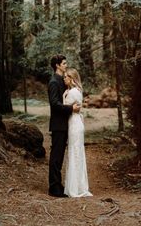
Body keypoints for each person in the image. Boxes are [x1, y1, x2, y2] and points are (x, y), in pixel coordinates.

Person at [48, 54, 80, 197]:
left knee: (60, 156)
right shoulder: (54, 82)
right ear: (57, 65)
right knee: (56, 156)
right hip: (58, 125)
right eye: (64, 63)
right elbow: (54, 105)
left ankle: (59, 185)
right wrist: (71, 109)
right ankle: (54, 188)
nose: (66, 65)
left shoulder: (63, 80)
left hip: (66, 124)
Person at [63, 68, 92, 197]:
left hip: (74, 124)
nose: (64, 79)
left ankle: (75, 188)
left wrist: (64, 97)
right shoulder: (76, 91)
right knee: (76, 152)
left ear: (71, 79)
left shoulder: (72, 92)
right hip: (76, 123)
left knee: (74, 152)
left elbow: (66, 108)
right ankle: (79, 186)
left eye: (66, 77)